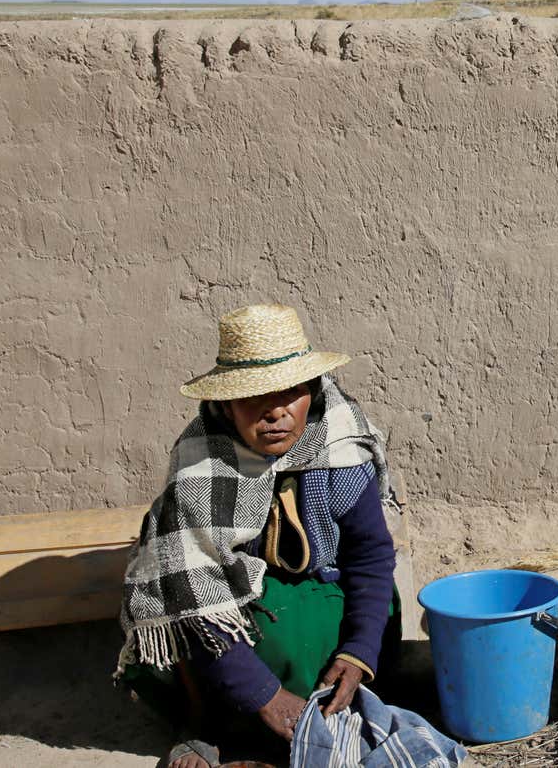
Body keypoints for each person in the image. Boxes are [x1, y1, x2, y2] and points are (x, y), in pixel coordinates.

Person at [116, 304, 401, 768]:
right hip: (230, 604)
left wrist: (358, 652)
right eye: (254, 397)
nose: (275, 412)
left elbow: (369, 556)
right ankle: (205, 722)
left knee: (357, 619)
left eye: (290, 393)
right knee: (175, 614)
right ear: (226, 405)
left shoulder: (340, 444)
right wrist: (264, 694)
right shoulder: (199, 466)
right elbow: (192, 589)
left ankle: (289, 720)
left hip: (319, 586)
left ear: (312, 391)